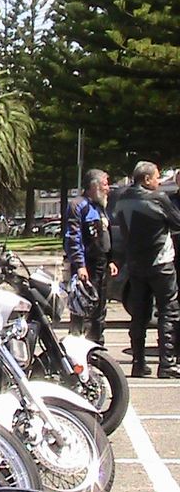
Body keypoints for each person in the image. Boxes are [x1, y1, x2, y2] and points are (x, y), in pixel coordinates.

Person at [115, 161, 180, 378]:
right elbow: (177, 221)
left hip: (135, 264)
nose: (159, 181)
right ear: (146, 179)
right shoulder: (157, 198)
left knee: (139, 314)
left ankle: (138, 363)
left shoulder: (122, 198)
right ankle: (167, 363)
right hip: (160, 262)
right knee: (168, 311)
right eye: (157, 177)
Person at [63, 168, 118, 345]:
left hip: (101, 265)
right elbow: (73, 237)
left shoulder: (100, 207)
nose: (108, 188)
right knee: (83, 309)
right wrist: (80, 265)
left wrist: (110, 260)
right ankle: (77, 345)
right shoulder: (78, 205)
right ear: (94, 186)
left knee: (99, 310)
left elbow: (105, 234)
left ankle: (97, 344)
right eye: (105, 184)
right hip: (87, 266)